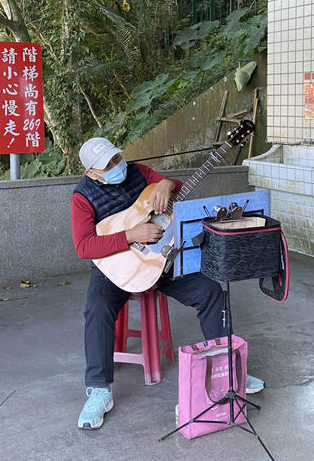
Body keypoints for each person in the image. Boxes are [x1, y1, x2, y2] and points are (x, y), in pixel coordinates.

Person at [71, 136, 264, 430]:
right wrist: (129, 236)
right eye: (106, 165)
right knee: (97, 309)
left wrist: (166, 184)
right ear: (91, 173)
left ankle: (228, 372)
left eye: (116, 158)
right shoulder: (82, 197)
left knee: (210, 292)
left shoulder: (138, 172)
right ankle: (99, 391)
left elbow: (171, 186)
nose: (115, 166)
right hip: (116, 265)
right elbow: (84, 246)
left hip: (161, 260)